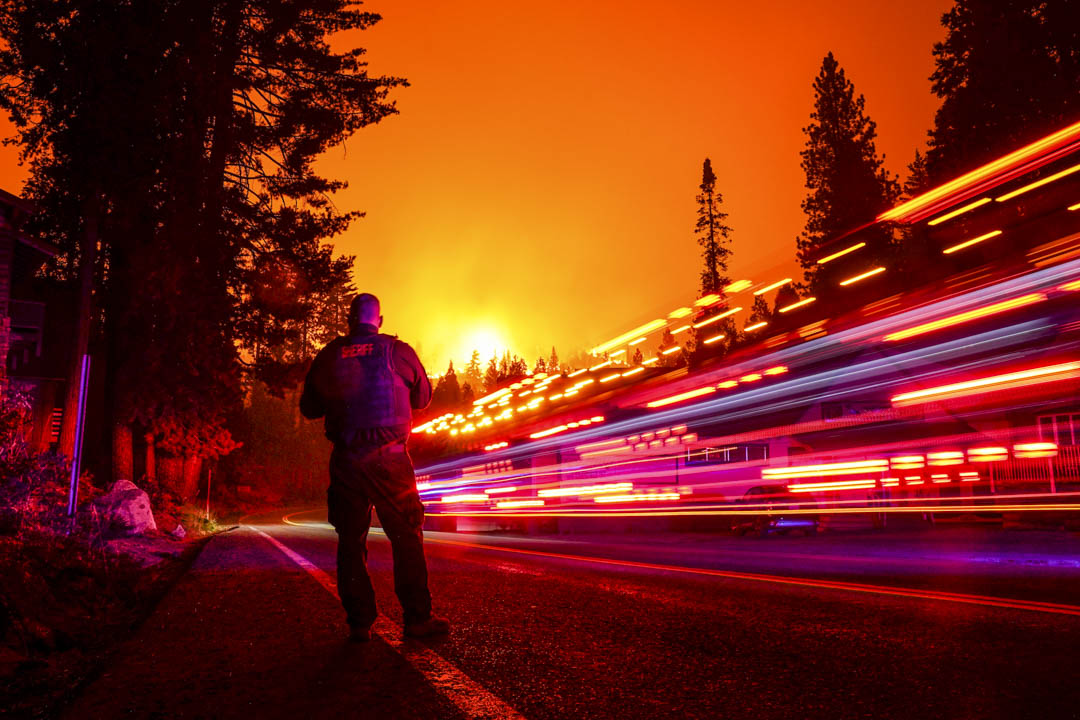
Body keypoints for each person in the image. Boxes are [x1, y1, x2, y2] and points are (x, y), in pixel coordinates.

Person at [300, 293, 449, 642]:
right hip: (390, 460)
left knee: (350, 540)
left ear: (349, 321)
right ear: (379, 321)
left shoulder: (330, 355)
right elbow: (423, 399)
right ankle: (416, 619)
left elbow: (309, 407)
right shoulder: (397, 351)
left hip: (348, 460)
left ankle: (359, 623)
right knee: (407, 537)